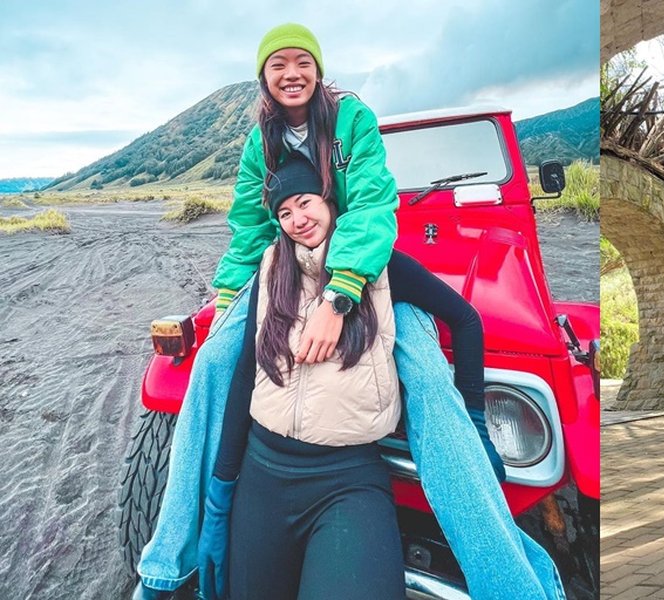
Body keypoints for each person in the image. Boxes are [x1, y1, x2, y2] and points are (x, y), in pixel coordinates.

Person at [132, 23, 501, 598]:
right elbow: (250, 225)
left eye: (301, 61)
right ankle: (165, 563)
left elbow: (375, 202)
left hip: (372, 264)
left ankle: (500, 565)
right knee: (209, 367)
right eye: (277, 64)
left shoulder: (351, 120)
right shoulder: (263, 139)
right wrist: (231, 305)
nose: (291, 74)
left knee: (428, 377)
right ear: (264, 77)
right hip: (290, 271)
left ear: (318, 68)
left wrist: (341, 291)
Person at [197, 156, 563, 599]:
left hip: (346, 478)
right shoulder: (272, 268)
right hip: (263, 471)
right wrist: (221, 491)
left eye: (305, 202)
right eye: (284, 212)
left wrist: (475, 421)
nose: (297, 220)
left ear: (331, 200)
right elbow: (244, 377)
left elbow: (466, 320)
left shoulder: (382, 266)